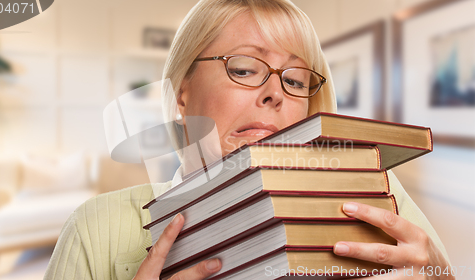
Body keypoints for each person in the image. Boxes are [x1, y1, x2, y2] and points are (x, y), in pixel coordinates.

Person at [44, 0, 454, 279]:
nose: (276, 93)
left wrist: (440, 272)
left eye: (294, 79)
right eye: (243, 69)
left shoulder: (372, 192)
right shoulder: (95, 228)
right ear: (181, 93)